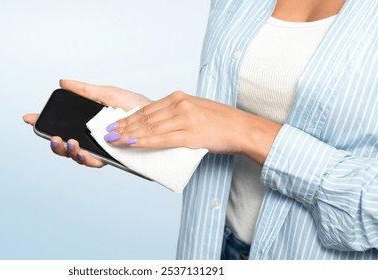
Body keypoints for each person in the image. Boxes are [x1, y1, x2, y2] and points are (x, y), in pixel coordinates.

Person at [24, 0, 378, 259]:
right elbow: (218, 129)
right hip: (209, 247)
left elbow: (232, 127)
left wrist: (248, 132)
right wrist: (150, 128)